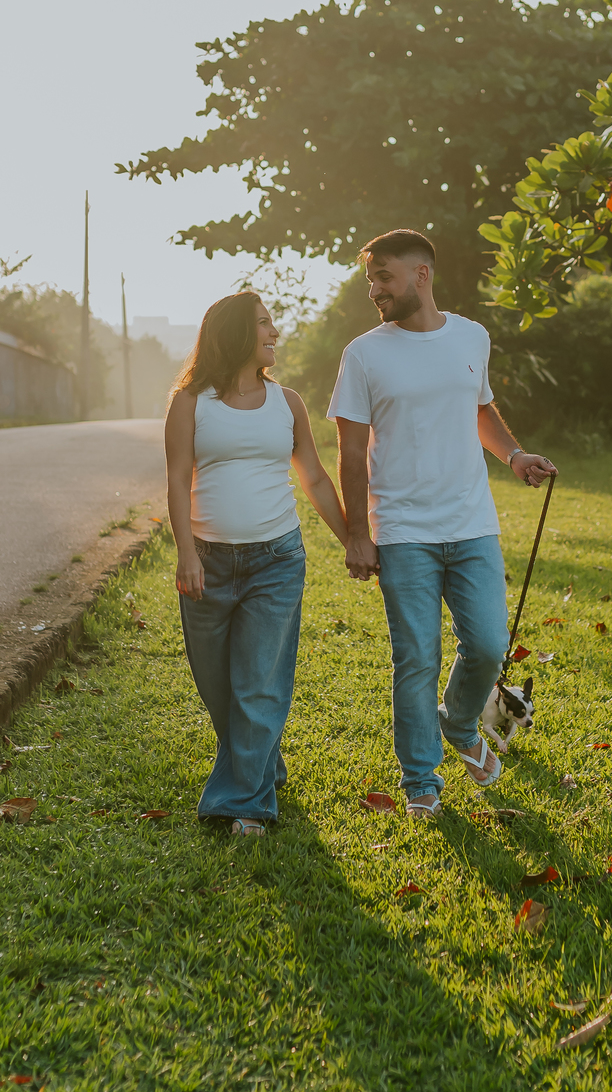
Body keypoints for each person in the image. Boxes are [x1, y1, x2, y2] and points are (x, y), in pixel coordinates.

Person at [328, 228, 556, 820]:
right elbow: (351, 452)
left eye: (384, 277)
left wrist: (514, 456)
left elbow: (477, 407)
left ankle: (458, 725)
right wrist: (358, 533)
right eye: (371, 278)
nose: (374, 289)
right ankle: (420, 783)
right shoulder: (364, 354)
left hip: (472, 521)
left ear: (421, 275)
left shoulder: (471, 337)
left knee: (487, 644)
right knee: (417, 659)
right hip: (403, 530)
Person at [165, 290, 348, 836]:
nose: (275, 333)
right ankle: (262, 761)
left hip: (276, 558)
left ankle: (244, 805)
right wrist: (187, 553)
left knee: (259, 683)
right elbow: (177, 479)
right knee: (218, 685)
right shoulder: (191, 402)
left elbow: (313, 475)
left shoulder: (287, 402)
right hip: (207, 563)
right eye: (266, 324)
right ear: (237, 334)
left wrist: (350, 538)